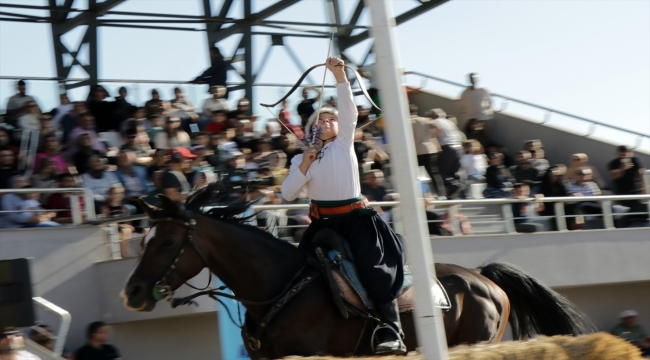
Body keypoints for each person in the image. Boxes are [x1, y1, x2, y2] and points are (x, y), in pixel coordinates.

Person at [281, 57, 406, 355]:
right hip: (322, 224)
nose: (325, 123)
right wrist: (304, 165)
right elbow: (287, 194)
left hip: (356, 220)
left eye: (331, 120)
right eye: (320, 121)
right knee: (300, 273)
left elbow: (349, 111)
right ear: (311, 129)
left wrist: (340, 76)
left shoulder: (343, 143)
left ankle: (392, 329)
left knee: (374, 269)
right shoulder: (301, 158)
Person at [410, 104, 445, 198]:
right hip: (430, 148)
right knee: (434, 172)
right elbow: (439, 127)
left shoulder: (407, 122)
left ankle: (416, 193)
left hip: (415, 149)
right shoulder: (426, 120)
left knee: (412, 173)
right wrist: (434, 136)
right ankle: (441, 193)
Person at [428, 108, 462, 198]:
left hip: (447, 147)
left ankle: (454, 184)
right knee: (451, 172)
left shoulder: (436, 122)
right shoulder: (449, 122)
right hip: (458, 147)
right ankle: (452, 195)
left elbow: (434, 135)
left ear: (433, 115)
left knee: (439, 171)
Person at [608, 146, 647, 224]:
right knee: (626, 209)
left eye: (625, 154)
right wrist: (622, 169)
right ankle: (626, 223)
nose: (623, 157)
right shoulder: (613, 163)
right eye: (621, 155)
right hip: (621, 191)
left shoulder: (635, 160)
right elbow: (614, 176)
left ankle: (637, 221)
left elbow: (641, 174)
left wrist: (643, 187)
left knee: (639, 208)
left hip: (636, 190)